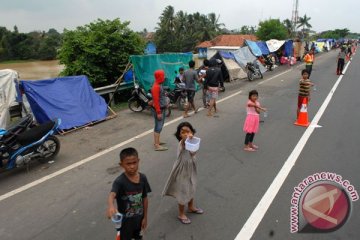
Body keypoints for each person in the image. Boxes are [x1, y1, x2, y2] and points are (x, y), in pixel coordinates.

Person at [162, 122, 203, 224]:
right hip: (181, 170)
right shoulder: (182, 143)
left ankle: (191, 207)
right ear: (179, 135)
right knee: (183, 191)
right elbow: (186, 144)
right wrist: (188, 138)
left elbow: (193, 152)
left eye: (187, 131)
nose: (185, 134)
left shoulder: (192, 141)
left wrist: (191, 139)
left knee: (191, 187)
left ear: (192, 132)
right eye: (182, 132)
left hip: (190, 167)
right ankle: (181, 214)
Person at [107, 148, 152, 240]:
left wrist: (145, 218)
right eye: (128, 164)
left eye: (134, 163)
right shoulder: (120, 181)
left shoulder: (143, 178)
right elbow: (112, 194)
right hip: (125, 223)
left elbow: (145, 198)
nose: (132, 166)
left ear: (138, 161)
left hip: (139, 220)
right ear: (121, 164)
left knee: (139, 237)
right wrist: (111, 206)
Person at [151, 70, 168, 151]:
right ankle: (157, 145)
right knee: (159, 126)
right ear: (159, 77)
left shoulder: (159, 84)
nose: (164, 77)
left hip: (161, 108)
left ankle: (157, 142)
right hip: (159, 109)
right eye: (163, 76)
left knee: (158, 125)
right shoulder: (156, 87)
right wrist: (158, 112)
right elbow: (156, 100)